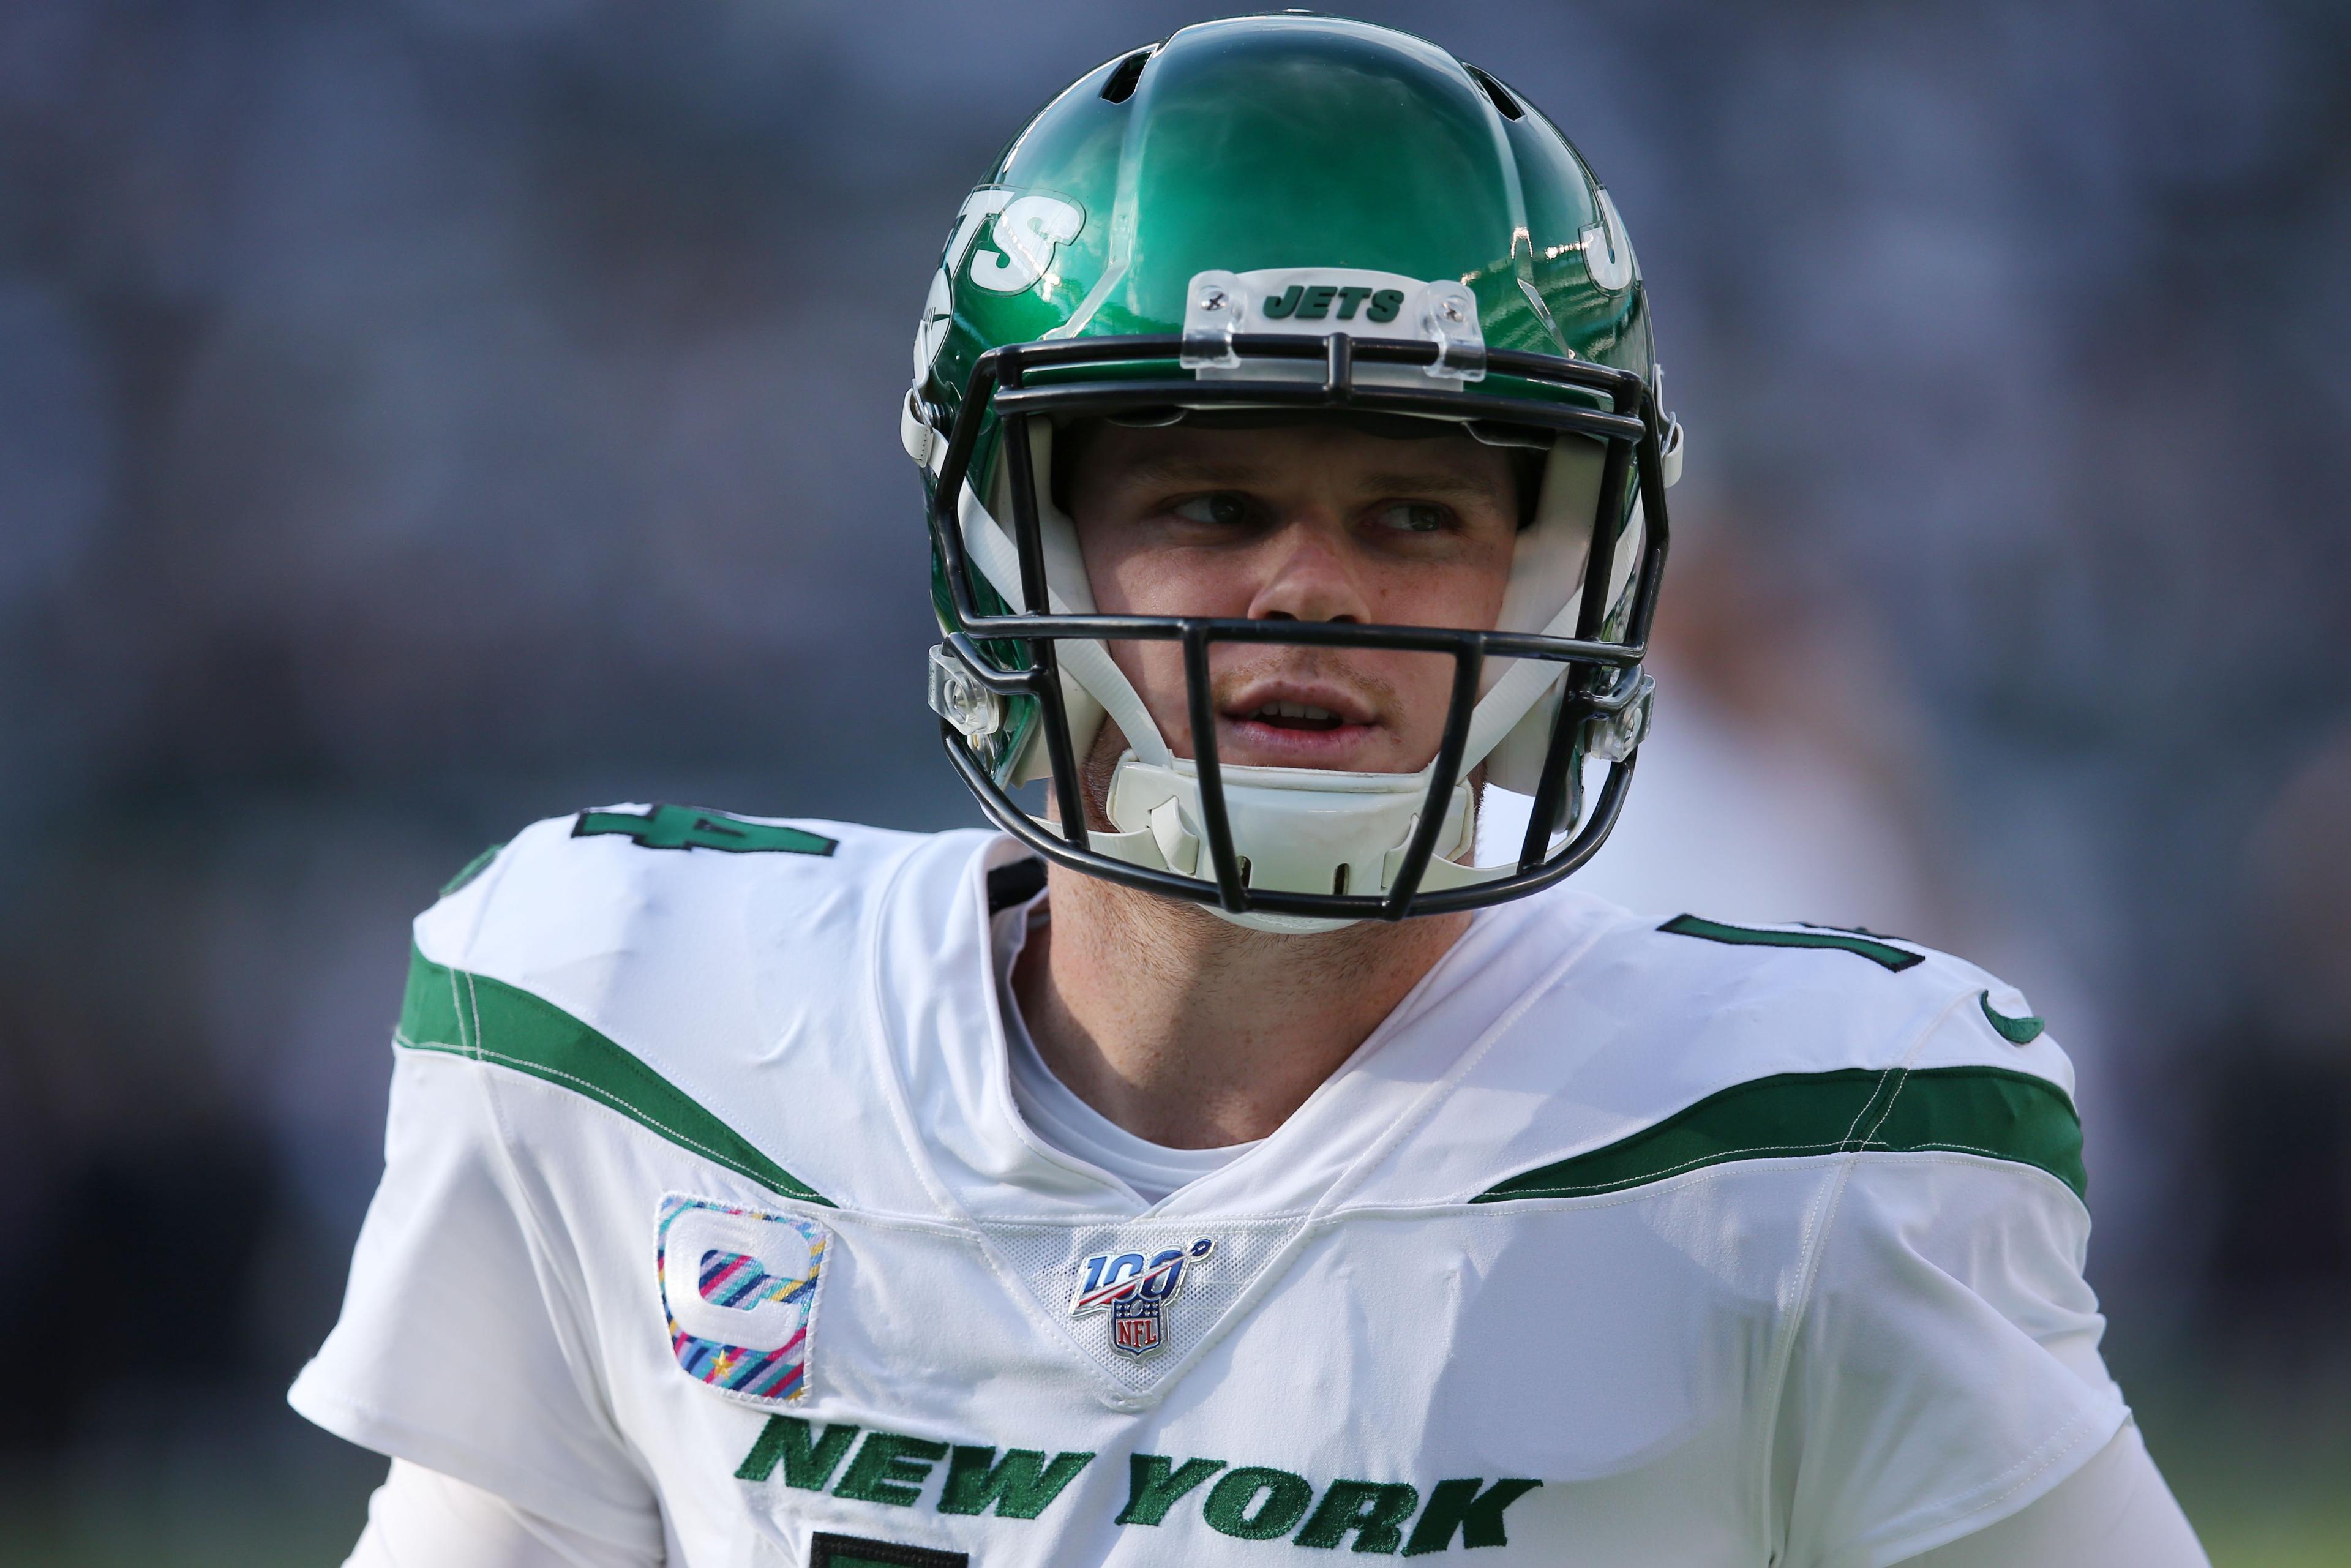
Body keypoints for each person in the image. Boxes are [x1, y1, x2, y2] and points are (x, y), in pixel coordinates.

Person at [293, 17, 2207, 1566]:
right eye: (1215, 502)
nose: (1315, 586)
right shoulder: (637, 1030)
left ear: (1562, 583)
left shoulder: (1803, 1168)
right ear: (1018, 545)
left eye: (1414, 513)